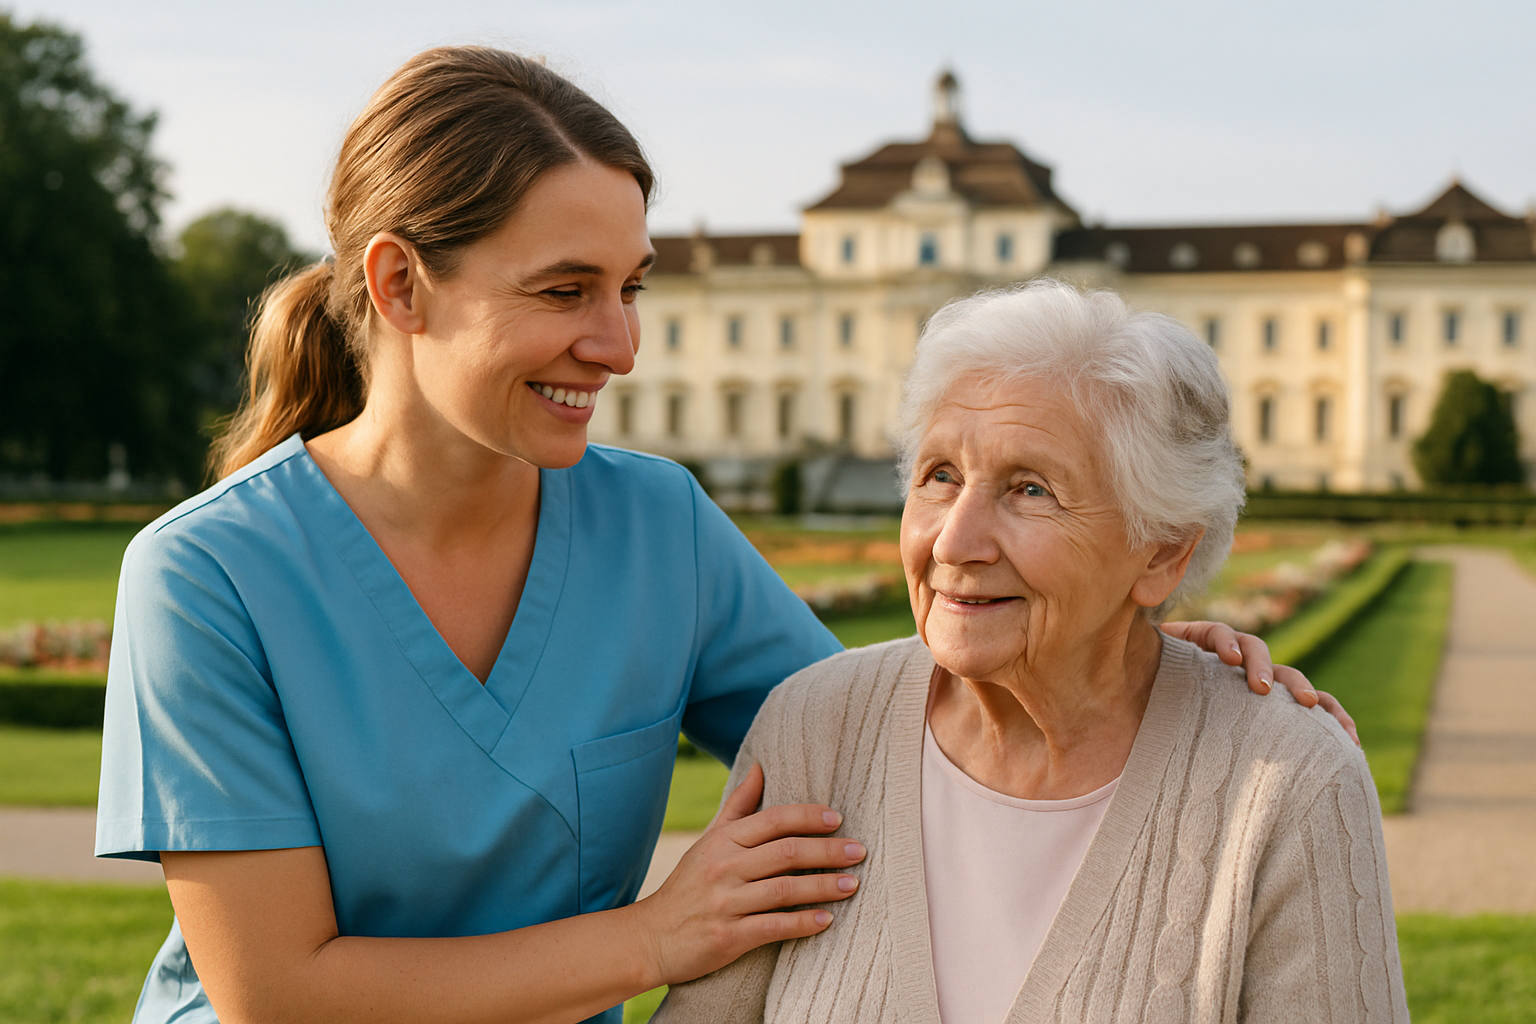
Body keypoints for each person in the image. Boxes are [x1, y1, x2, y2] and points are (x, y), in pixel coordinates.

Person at [94, 49, 1348, 1024]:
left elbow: (892, 740)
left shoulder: (657, 526)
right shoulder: (208, 576)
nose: (620, 344)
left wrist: (1139, 653)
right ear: (398, 285)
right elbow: (277, 994)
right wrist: (651, 939)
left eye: (631, 286)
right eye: (566, 290)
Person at [655, 281, 1407, 1023]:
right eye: (940, 476)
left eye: (1031, 490)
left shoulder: (1288, 786)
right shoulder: (812, 728)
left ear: (1162, 553)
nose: (954, 541)